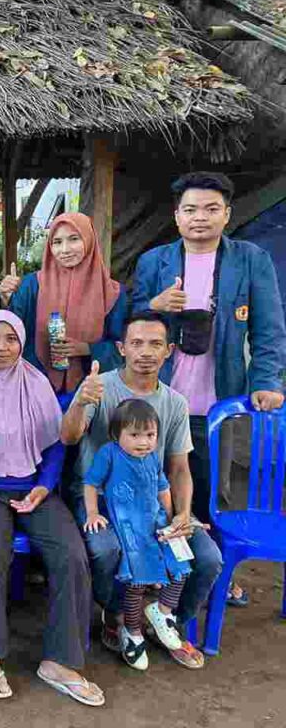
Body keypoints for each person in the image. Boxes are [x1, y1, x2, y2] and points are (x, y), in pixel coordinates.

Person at [132, 171, 285, 607]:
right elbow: (130, 321)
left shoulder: (250, 260)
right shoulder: (154, 262)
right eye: (191, 209)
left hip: (221, 404)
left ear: (227, 214)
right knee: (159, 491)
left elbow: (270, 328)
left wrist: (267, 382)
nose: (200, 217)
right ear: (177, 216)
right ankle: (160, 576)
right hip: (163, 403)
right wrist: (154, 305)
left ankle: (217, 579)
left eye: (211, 209)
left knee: (218, 492)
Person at [0, 311, 101, 707]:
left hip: (33, 485)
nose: (2, 347)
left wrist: (44, 486)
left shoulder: (36, 382)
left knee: (71, 553)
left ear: (21, 342)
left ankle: (60, 662)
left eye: (10, 339)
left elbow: (55, 443)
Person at [60, 311, 221, 670]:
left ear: (169, 351)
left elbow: (179, 467)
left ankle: (167, 620)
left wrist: (182, 514)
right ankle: (118, 616)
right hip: (100, 499)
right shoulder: (100, 386)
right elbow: (68, 437)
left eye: (155, 344)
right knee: (106, 549)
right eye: (136, 343)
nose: (145, 352)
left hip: (153, 501)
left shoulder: (175, 403)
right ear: (122, 348)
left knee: (208, 556)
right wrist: (81, 401)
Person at [83, 399, 192, 671]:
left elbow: (163, 488)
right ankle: (133, 633)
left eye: (150, 435)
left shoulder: (153, 458)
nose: (143, 442)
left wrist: (172, 519)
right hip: (129, 527)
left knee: (180, 563)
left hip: (156, 522)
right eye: (134, 435)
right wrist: (93, 513)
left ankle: (162, 611)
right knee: (137, 582)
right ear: (116, 434)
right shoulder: (109, 454)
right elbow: (91, 483)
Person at [0, 213, 127, 393]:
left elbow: (125, 347)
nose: (65, 249)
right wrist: (6, 300)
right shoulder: (32, 285)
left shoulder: (113, 293)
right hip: (35, 386)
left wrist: (88, 349)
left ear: (89, 240)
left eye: (74, 239)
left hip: (92, 389)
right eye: (57, 242)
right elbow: (12, 331)